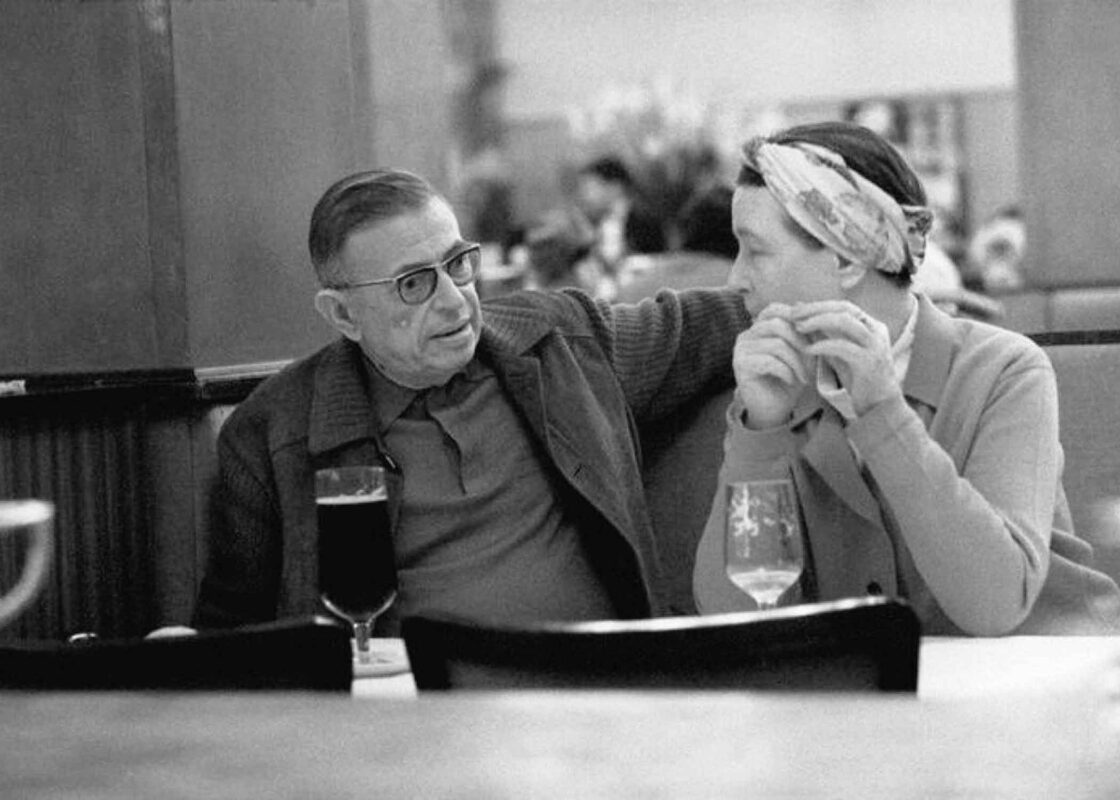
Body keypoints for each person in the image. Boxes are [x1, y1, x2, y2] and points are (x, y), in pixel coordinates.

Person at [193, 168, 749, 632]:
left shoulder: (559, 343)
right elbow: (234, 639)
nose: (454, 301)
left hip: (597, 703)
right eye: (413, 283)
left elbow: (712, 323)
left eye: (457, 263)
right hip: (410, 733)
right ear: (343, 315)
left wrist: (823, 289)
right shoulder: (274, 435)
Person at [693, 121, 1120, 635]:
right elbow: (739, 618)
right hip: (886, 698)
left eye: (755, 250)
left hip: (1048, 684)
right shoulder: (780, 385)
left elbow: (994, 603)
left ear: (847, 257)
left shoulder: (1005, 371)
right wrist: (759, 436)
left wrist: (883, 415)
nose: (735, 279)